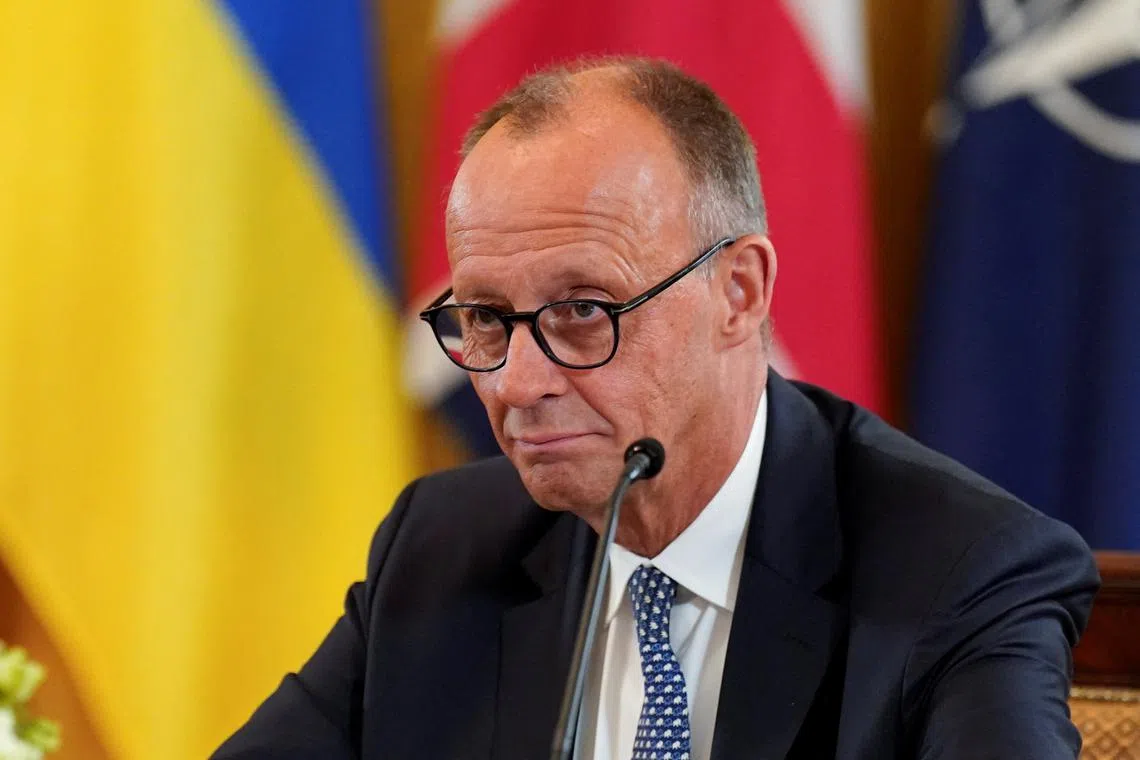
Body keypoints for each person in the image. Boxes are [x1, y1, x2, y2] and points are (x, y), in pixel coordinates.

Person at [213, 58, 1099, 760]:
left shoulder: (960, 572)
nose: (519, 384)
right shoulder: (442, 549)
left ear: (739, 294)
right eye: (485, 319)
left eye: (582, 312)